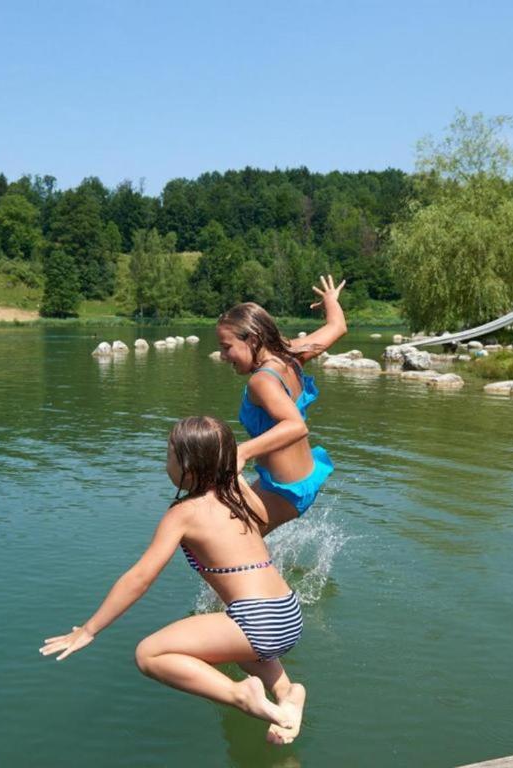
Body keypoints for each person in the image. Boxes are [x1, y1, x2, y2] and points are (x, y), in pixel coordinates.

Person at [40, 416, 307, 745]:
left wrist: (89, 629)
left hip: (257, 623)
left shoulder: (184, 513)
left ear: (189, 467)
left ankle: (240, 695)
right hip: (288, 613)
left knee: (149, 654)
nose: (165, 463)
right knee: (227, 638)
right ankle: (286, 692)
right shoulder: (240, 495)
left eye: (169, 455)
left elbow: (140, 577)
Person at [216, 274, 346, 536]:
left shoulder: (262, 381)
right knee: (219, 515)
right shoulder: (292, 354)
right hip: (303, 478)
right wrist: (331, 300)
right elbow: (337, 326)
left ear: (252, 339)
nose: (222, 356)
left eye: (227, 347)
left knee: (219, 546)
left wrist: (242, 452)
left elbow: (296, 426)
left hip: (284, 491)